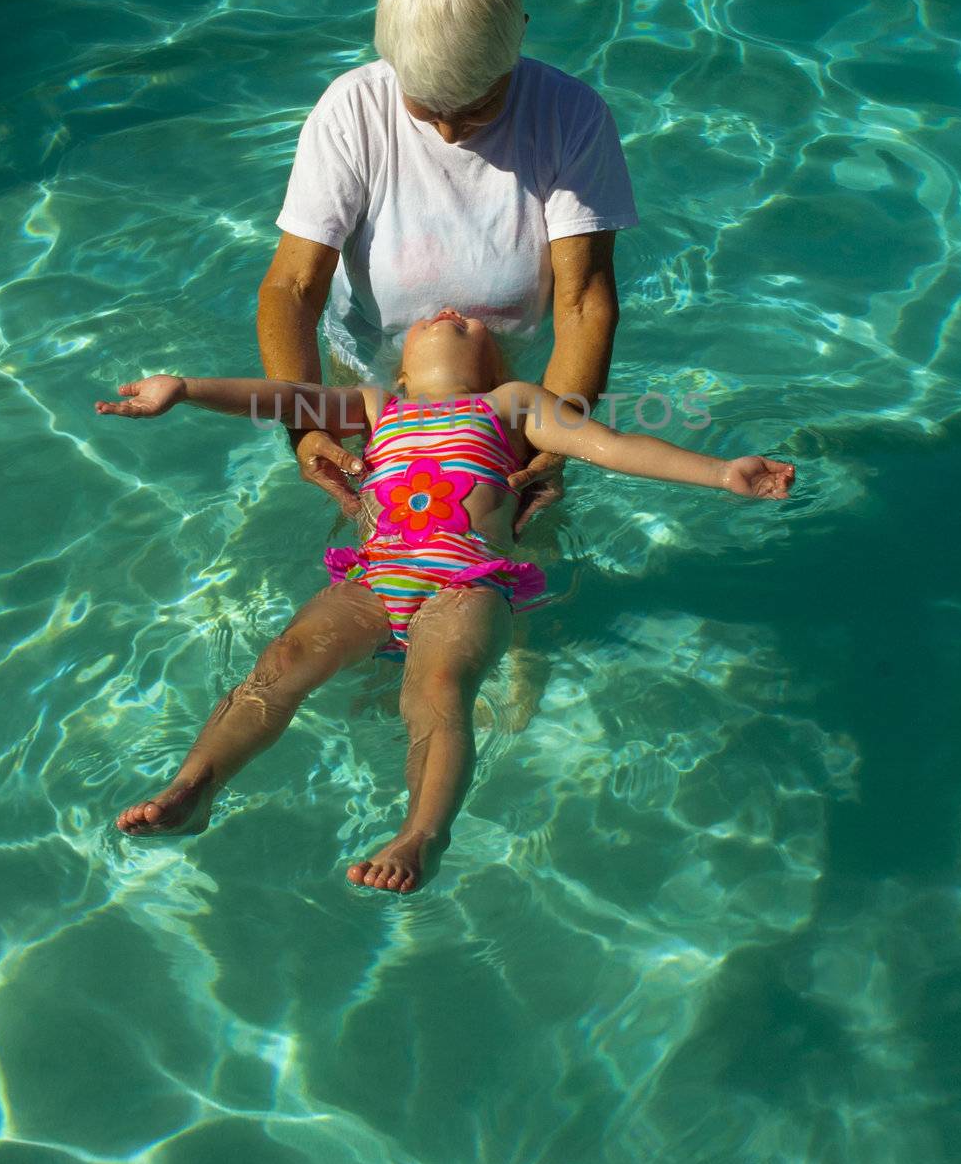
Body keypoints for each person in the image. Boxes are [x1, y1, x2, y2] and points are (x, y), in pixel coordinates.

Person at [96, 309, 795, 895]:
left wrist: (718, 471)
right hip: (374, 578)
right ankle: (193, 789)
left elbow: (607, 444)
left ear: (491, 368)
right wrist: (183, 389)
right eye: (438, 318)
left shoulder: (511, 404)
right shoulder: (376, 406)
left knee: (436, 689)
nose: (454, 312)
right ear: (399, 371)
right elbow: (282, 399)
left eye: (469, 324)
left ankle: (419, 835)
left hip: (465, 580)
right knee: (282, 661)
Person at [258, 0, 639, 539]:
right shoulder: (352, 110)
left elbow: (585, 299)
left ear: (519, 40)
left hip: (514, 395)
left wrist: (558, 444)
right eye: (425, 106)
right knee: (379, 553)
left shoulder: (571, 117)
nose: (449, 128)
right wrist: (308, 428)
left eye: (478, 106)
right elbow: (293, 286)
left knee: (512, 554)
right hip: (372, 379)